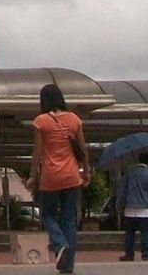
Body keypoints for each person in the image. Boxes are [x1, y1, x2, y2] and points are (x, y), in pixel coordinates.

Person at [27, 82, 90, 275]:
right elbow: (83, 148)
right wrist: (86, 171)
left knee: (47, 215)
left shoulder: (41, 121)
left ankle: (60, 243)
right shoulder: (74, 119)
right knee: (69, 219)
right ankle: (68, 264)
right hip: (72, 176)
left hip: (51, 176)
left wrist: (32, 176)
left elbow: (37, 152)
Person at [115, 153, 148, 260]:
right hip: (145, 208)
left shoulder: (129, 173)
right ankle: (145, 254)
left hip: (130, 208)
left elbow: (123, 191)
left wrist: (119, 205)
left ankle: (129, 254)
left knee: (130, 233)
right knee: (145, 233)